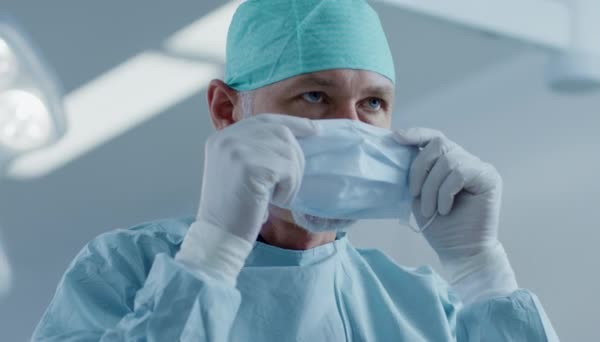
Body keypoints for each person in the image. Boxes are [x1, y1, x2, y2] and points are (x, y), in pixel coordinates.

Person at [32, 1, 559, 341]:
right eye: (315, 95)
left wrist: (480, 271)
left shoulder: (425, 308)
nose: (349, 128)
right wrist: (212, 255)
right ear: (226, 110)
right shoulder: (123, 270)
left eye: (372, 104)